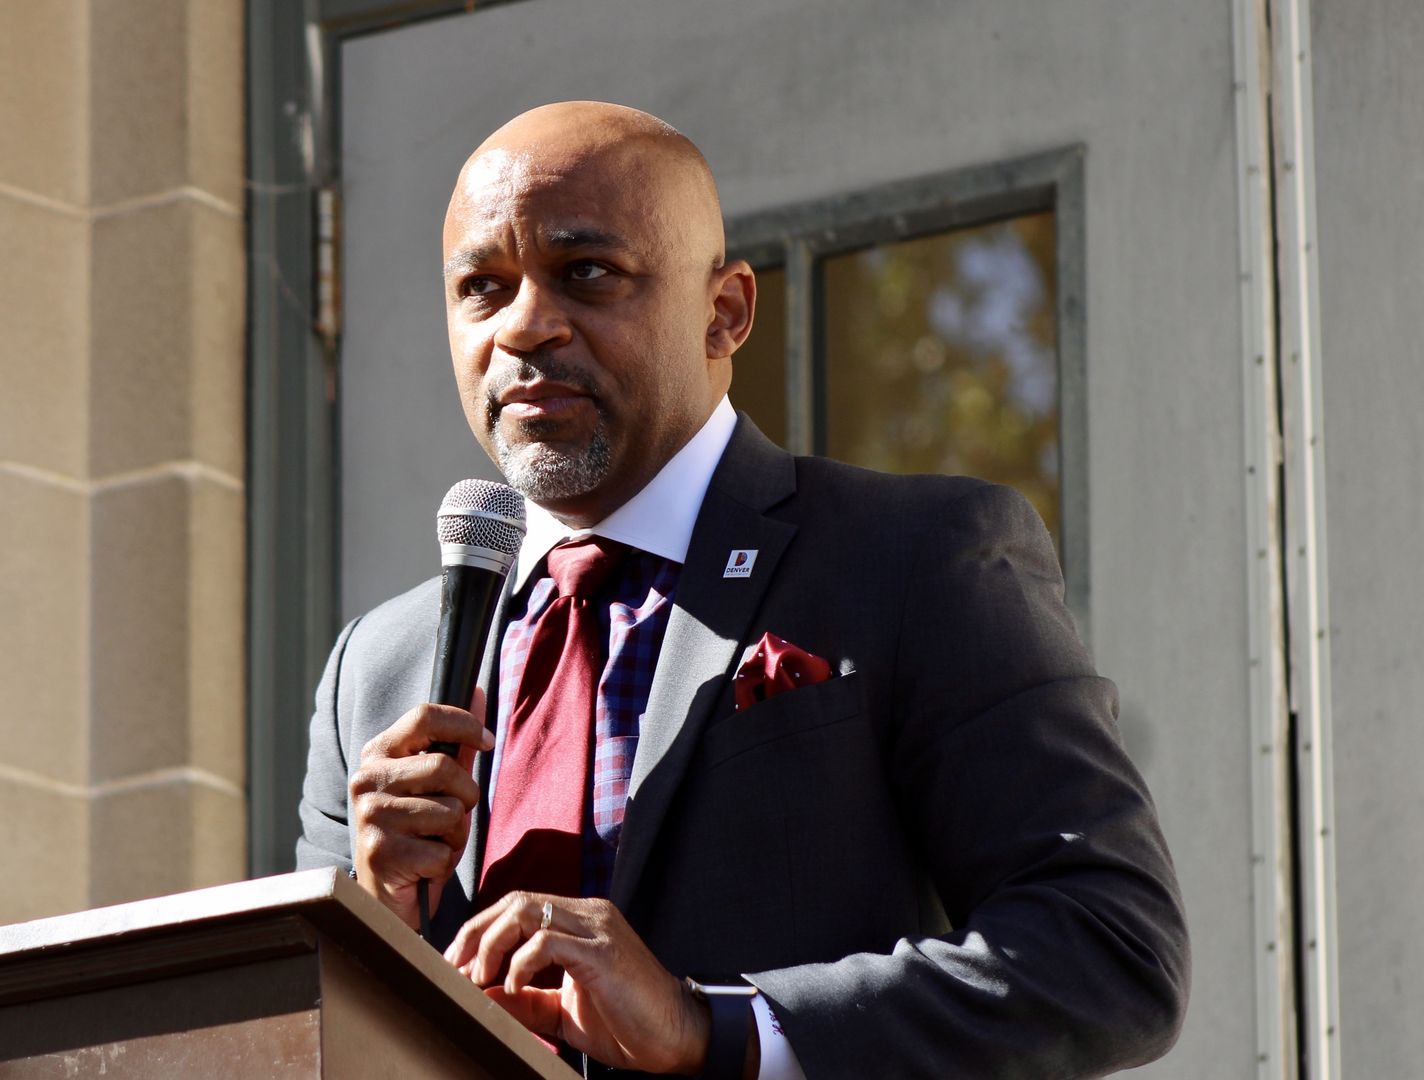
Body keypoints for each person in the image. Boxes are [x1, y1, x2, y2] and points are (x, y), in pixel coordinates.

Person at [297, 101, 1188, 1079]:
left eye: (585, 272)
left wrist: (710, 1027)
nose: (525, 326)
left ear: (724, 312)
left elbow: (1110, 950)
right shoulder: (375, 671)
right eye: (483, 287)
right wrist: (374, 925)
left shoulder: (914, 558)